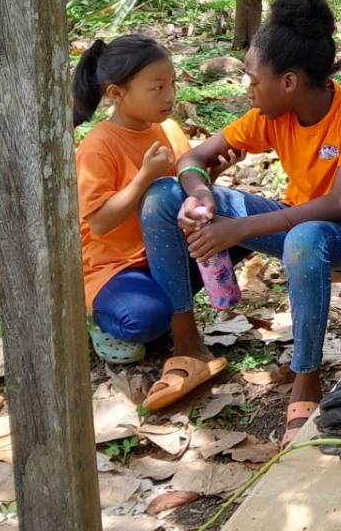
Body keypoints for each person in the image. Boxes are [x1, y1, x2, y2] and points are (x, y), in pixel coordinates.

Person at [139, 0, 341, 443]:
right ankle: (188, 346)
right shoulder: (269, 116)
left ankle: (306, 377)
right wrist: (200, 196)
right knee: (162, 196)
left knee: (305, 237)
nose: (248, 90)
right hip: (291, 224)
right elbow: (192, 156)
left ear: (288, 81)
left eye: (253, 79)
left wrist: (240, 229)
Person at [72, 34, 231, 410]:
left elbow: (183, 192)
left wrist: (216, 176)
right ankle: (102, 319)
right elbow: (99, 224)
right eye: (157, 87)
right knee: (144, 319)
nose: (169, 95)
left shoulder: (170, 129)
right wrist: (143, 177)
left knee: (234, 232)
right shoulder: (98, 145)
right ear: (116, 93)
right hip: (115, 265)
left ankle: (168, 308)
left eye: (173, 83)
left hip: (165, 254)